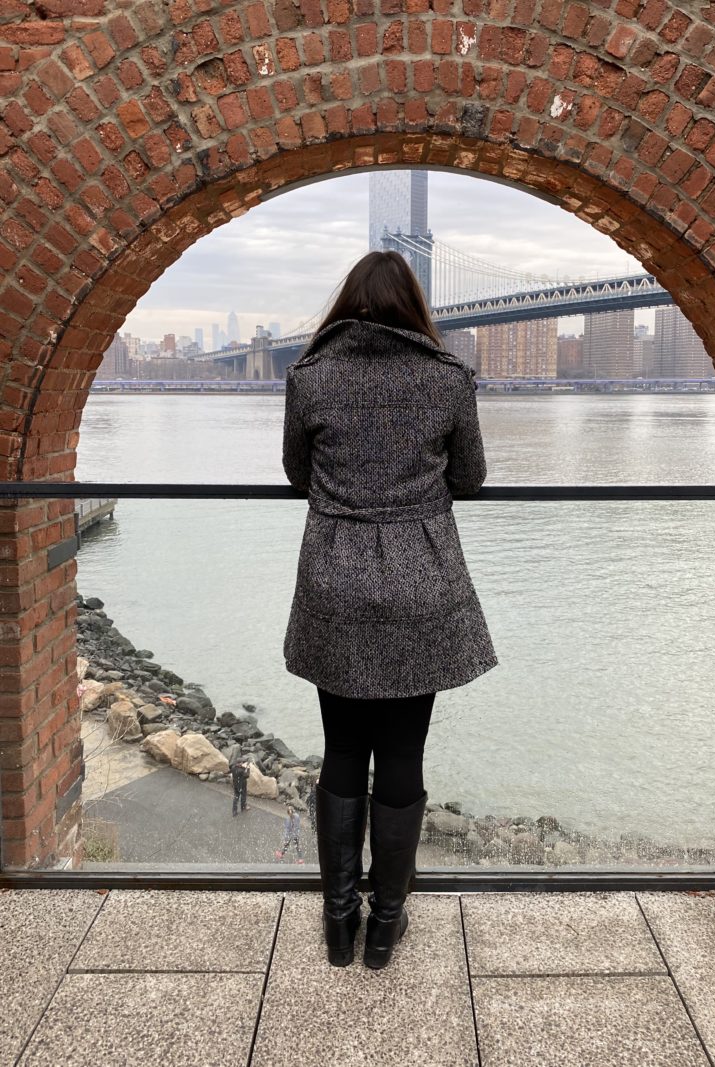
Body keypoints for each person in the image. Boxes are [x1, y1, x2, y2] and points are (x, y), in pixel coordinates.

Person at [282, 250, 497, 969]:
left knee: (343, 748)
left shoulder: (310, 377)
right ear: (414, 307)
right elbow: (470, 476)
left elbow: (297, 473)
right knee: (404, 751)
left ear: (346, 304)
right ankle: (385, 927)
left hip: (335, 579)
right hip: (420, 582)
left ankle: (339, 923)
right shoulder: (448, 379)